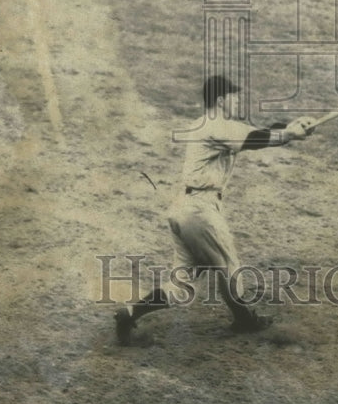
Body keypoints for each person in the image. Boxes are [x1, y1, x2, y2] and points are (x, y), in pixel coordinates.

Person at [114, 75, 316, 344]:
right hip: (200, 212)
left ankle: (130, 313)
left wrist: (290, 129)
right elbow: (256, 138)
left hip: (183, 209)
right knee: (229, 268)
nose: (238, 102)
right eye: (234, 97)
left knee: (182, 285)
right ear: (221, 101)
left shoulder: (207, 125)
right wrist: (288, 134)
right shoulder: (217, 126)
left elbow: (257, 133)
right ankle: (245, 320)